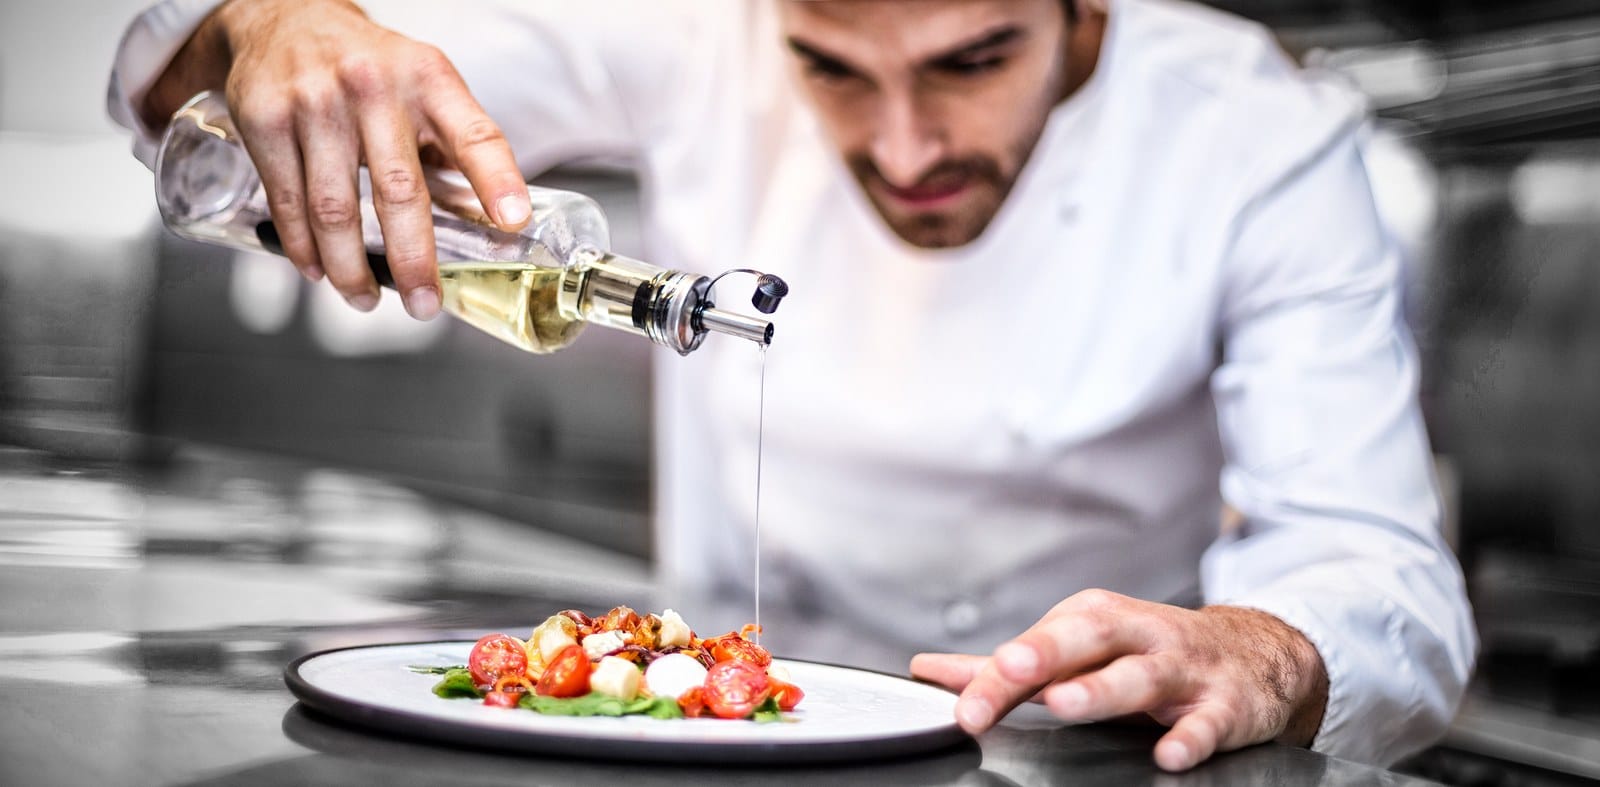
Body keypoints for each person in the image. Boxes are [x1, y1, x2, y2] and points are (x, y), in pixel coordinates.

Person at [108, 0, 1476, 771]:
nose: (901, 145)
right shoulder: (703, 30)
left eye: (973, 60)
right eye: (830, 66)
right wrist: (270, 23)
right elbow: (187, 83)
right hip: (710, 749)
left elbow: (1383, 577)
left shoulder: (1260, 137)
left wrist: (1267, 647)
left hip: (1080, 772)